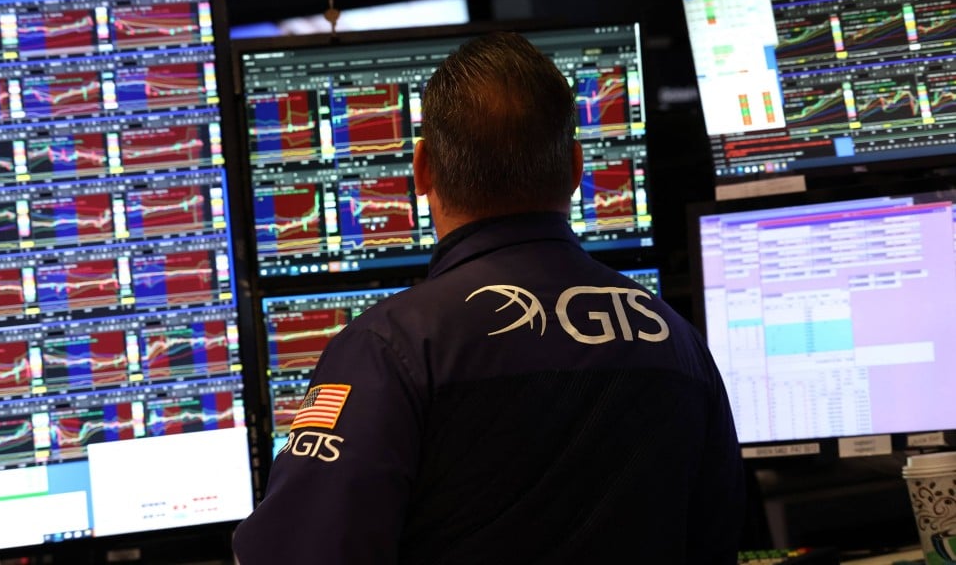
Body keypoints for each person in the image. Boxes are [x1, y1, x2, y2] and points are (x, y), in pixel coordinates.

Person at [232, 31, 746, 564]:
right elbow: (718, 543)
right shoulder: (676, 340)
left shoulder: (389, 350)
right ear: (575, 169)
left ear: (423, 169)